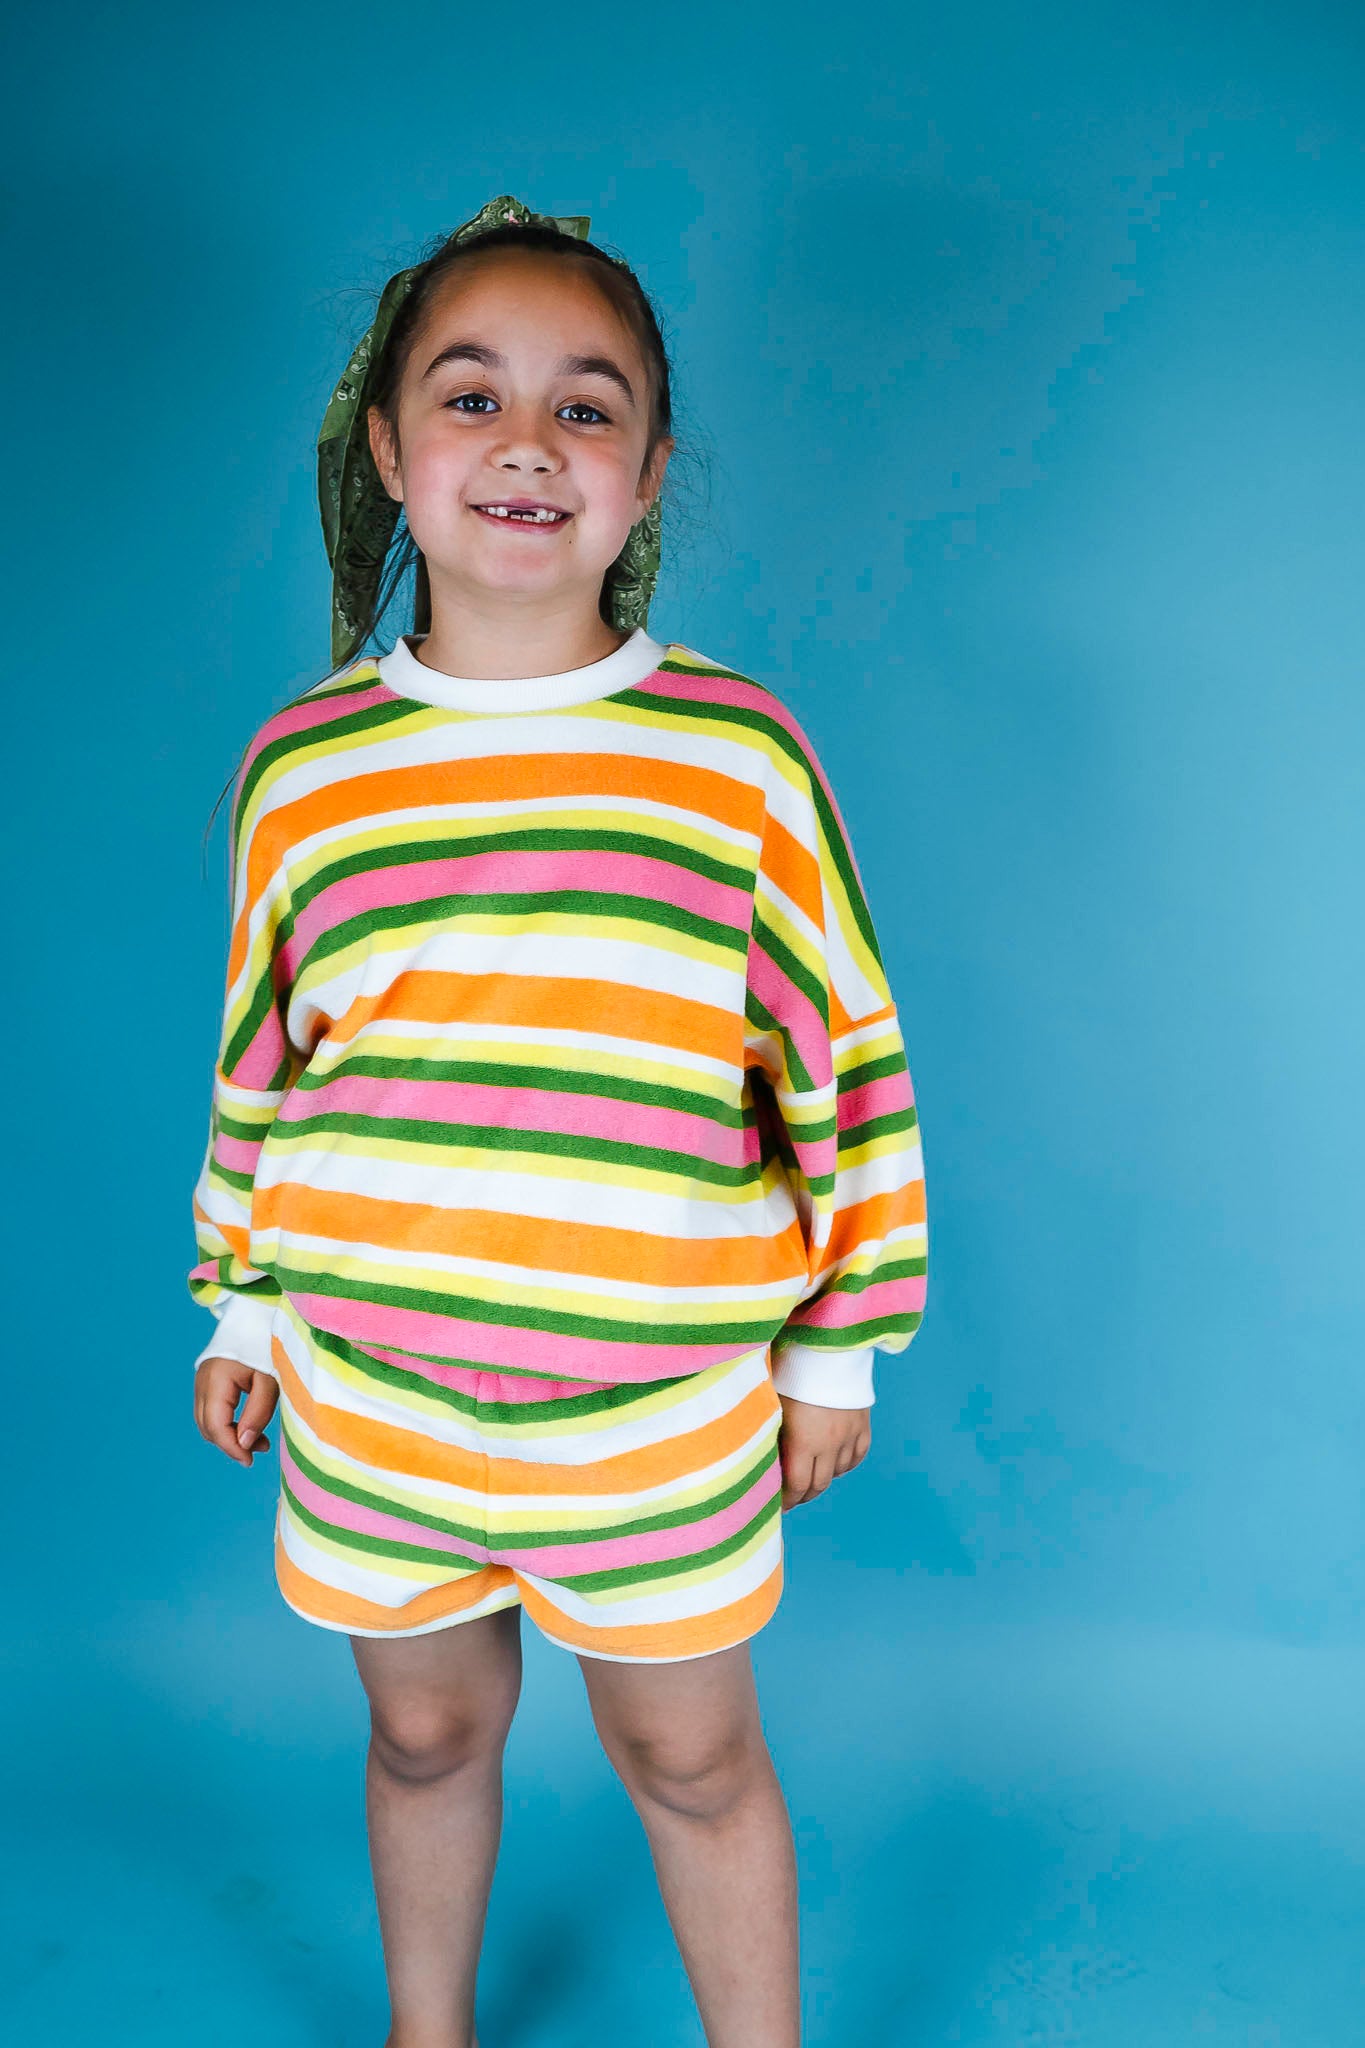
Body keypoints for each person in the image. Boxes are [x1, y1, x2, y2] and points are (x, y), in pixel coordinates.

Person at [188, 192, 928, 2048]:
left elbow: (841, 1058)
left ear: (649, 470)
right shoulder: (304, 767)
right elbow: (266, 1057)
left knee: (691, 1759)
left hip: (654, 1406)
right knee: (425, 1732)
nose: (527, 441)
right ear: (388, 448)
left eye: (585, 407)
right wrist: (244, 1307)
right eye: (471, 396)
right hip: (378, 1390)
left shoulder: (734, 759)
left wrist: (839, 1342)